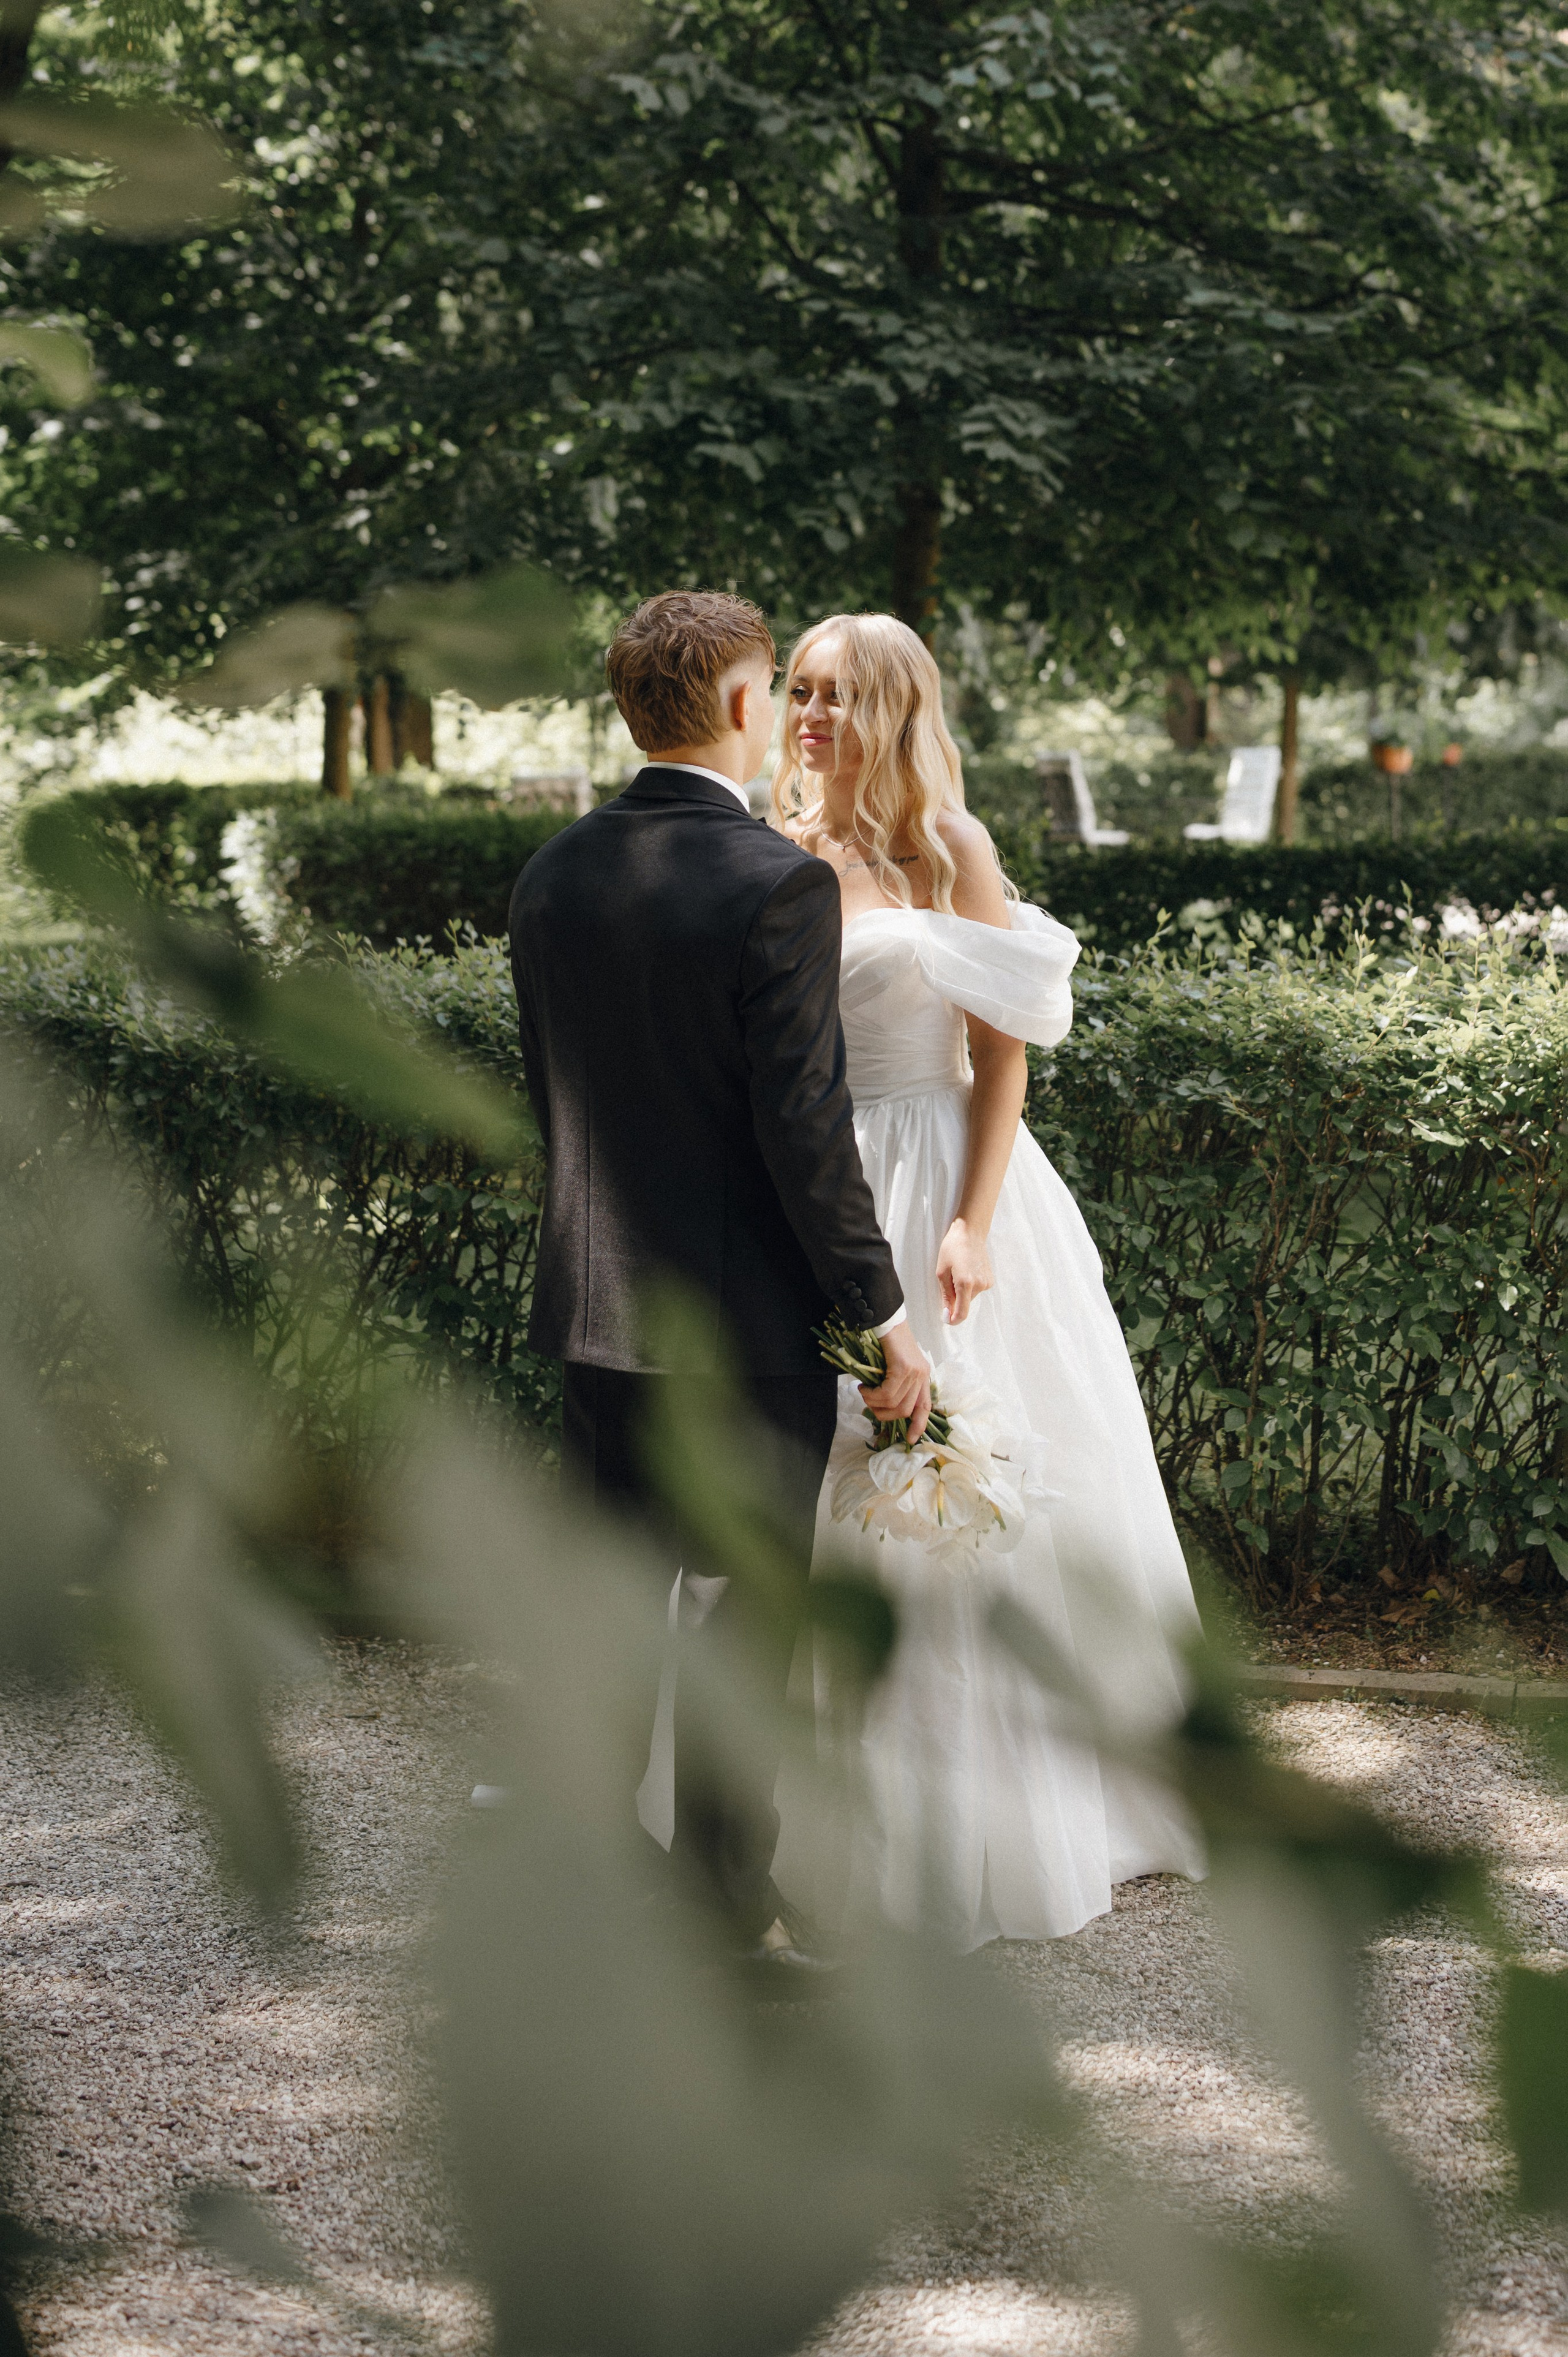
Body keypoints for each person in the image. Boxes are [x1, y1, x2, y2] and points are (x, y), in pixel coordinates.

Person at [507, 589, 932, 1975]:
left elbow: (558, 1105)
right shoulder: (776, 884)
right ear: (745, 703)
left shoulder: (553, 875)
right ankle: (723, 1905)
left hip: (596, 1314)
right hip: (746, 1331)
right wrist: (879, 1316)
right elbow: (803, 1129)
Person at [768, 613, 1205, 1951]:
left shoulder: (949, 847)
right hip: (822, 1182)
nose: (810, 716)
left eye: (839, 696)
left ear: (894, 709)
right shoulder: (775, 843)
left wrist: (970, 1222)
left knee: (968, 1468)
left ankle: (1004, 1801)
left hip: (947, 1169)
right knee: (814, 1470)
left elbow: (1002, 1050)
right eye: (798, 691)